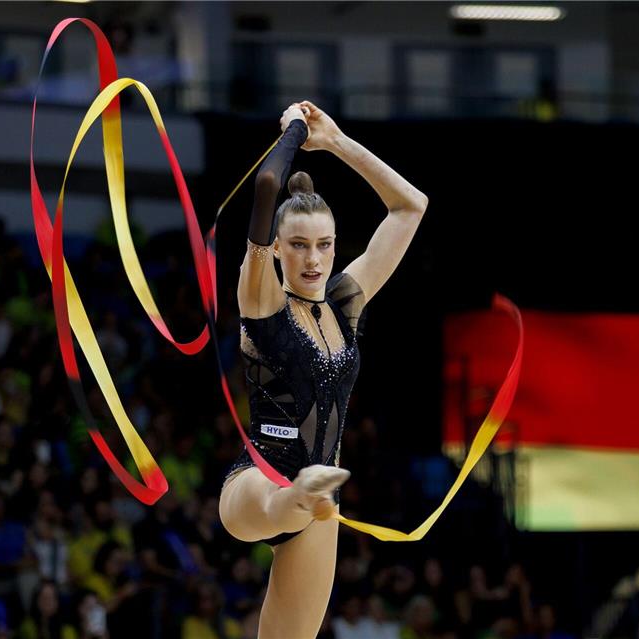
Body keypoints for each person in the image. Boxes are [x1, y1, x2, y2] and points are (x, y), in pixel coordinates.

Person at [218, 99, 428, 639]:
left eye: (324, 245)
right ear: (276, 249)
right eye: (298, 246)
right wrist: (292, 131)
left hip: (319, 504)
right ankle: (302, 491)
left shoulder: (344, 305)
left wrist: (334, 141)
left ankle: (309, 491)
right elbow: (268, 183)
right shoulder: (261, 300)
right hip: (259, 482)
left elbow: (411, 207)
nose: (313, 260)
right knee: (283, 502)